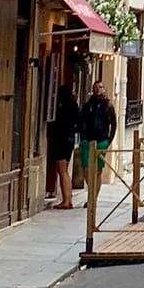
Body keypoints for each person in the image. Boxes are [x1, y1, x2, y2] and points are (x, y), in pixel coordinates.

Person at [77, 78, 116, 205]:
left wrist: (109, 140)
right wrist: (83, 137)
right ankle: (91, 192)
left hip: (101, 141)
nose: (97, 89)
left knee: (98, 171)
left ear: (103, 89)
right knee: (86, 169)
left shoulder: (108, 106)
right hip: (87, 140)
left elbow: (113, 124)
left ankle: (93, 199)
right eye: (95, 87)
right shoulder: (88, 104)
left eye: (99, 87)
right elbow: (82, 121)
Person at [47, 80, 82, 211]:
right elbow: (78, 122)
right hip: (70, 139)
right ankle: (68, 198)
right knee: (65, 170)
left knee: (62, 171)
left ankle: (66, 200)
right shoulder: (74, 105)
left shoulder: (61, 107)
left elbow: (55, 123)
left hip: (61, 139)